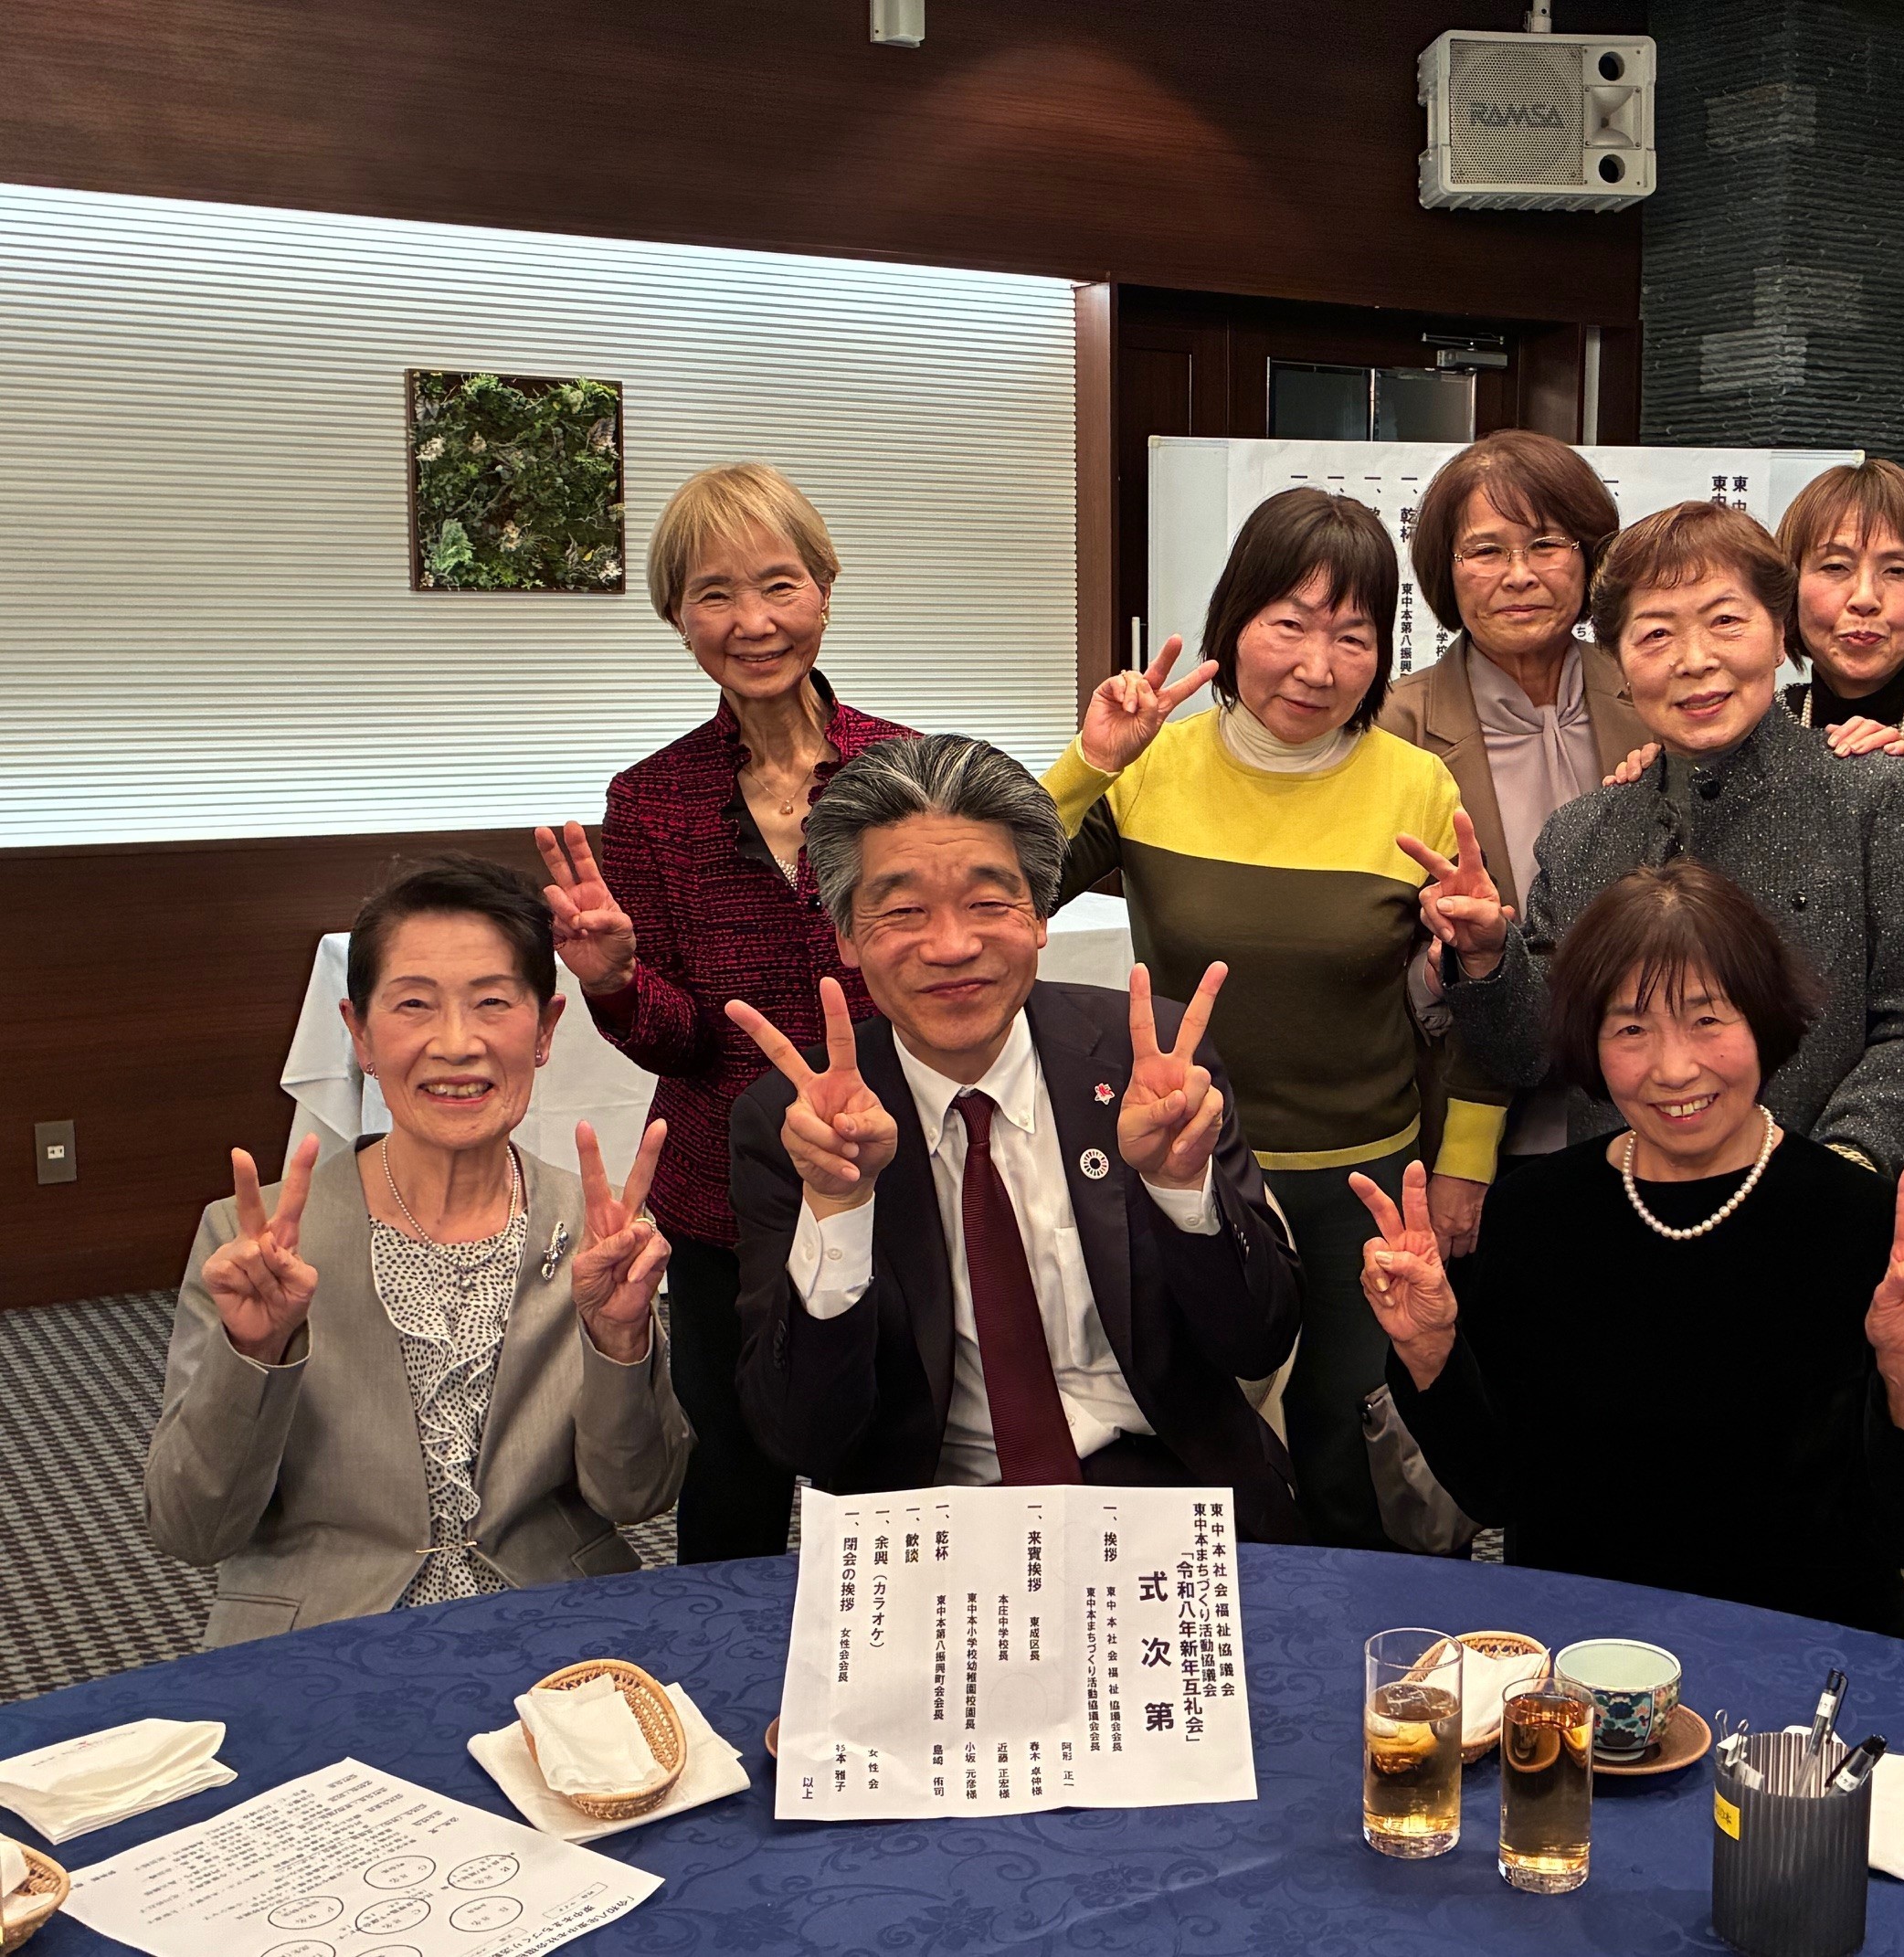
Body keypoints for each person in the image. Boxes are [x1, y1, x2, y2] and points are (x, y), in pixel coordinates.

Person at [1044, 486, 1505, 1550]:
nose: (1317, 666)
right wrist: (1092, 762)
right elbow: (1011, 894)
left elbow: (1483, 987)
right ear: (1233, 623)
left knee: (1348, 1454)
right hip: (1187, 1168)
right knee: (1195, 1446)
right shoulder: (1153, 766)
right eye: (1289, 624)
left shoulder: (1418, 786)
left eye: (1353, 636)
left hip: (1362, 1184)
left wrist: (1467, 1164)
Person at [1350, 862, 1904, 1634]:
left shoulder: (1861, 1222)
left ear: (1763, 1021)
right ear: (1591, 1043)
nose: (1674, 1068)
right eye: (1632, 1029)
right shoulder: (1535, 1216)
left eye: (1707, 1020)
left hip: (1803, 1659)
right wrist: (1429, 1351)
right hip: (1584, 1656)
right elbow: (1495, 1492)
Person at [726, 735, 1306, 1541]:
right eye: (902, 910)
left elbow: (1258, 1342)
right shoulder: (796, 1126)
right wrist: (839, 1207)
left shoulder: (1149, 1062)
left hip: (1165, 1487)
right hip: (932, 1515)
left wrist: (1181, 1192)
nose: (952, 946)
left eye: (988, 902)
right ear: (847, 937)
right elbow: (801, 1437)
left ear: (1039, 916)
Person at [145, 857, 693, 1648]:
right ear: (360, 1034)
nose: (457, 1043)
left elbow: (637, 1496)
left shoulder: (598, 1231)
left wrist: (618, 1341)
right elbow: (191, 1528)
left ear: (545, 1030)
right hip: (323, 1639)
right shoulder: (249, 1242)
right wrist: (254, 1354)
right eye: (413, 1005)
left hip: (551, 1627)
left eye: (493, 1003)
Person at [533, 461, 915, 1564]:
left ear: (826, 589)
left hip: (889, 1168)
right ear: (677, 616)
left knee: (890, 1460)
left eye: (780, 584)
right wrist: (614, 979)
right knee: (735, 1470)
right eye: (715, 594)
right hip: (722, 1195)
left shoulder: (904, 769)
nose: (754, 622)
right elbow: (680, 1039)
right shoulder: (650, 800)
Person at [1424, 499, 1904, 1174]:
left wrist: (1842, 1166)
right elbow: (1534, 1055)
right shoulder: (1581, 835)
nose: (1695, 660)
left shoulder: (1874, 796)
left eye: (1726, 621)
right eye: (1656, 634)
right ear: (1620, 664)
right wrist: (1486, 958)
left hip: (1824, 1197)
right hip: (1628, 1204)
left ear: (1780, 635)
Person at [1379, 430, 1653, 1161]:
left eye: (1546, 545)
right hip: (1474, 1118)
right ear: (1446, 571)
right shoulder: (1396, 728)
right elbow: (1371, 944)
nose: (1519, 575)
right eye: (1486, 550)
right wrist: (1447, 964)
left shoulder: (1654, 699)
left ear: (1590, 557)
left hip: (1655, 1105)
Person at [1775, 458, 1904, 800]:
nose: (1865, 598)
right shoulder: (1761, 723)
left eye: (1897, 571)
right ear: (1791, 591)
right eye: (1835, 566)